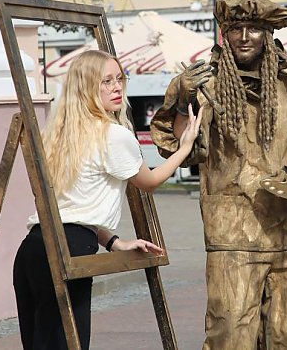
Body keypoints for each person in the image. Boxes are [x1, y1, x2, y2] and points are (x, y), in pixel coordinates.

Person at [150, 0, 287, 349]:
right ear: (224, 33)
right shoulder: (204, 87)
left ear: (268, 34)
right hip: (233, 237)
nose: (244, 37)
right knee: (231, 335)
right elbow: (180, 149)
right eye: (235, 28)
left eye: (254, 29)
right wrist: (182, 103)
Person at [12, 50, 204, 350]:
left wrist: (114, 242)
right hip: (70, 249)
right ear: (87, 87)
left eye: (119, 79)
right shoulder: (113, 135)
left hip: (33, 249)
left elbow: (70, 211)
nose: (117, 88)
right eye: (106, 81)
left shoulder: (59, 135)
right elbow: (150, 182)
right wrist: (184, 147)